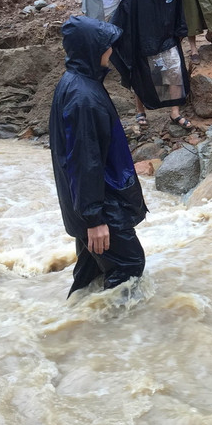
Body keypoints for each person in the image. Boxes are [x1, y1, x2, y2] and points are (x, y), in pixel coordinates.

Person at [49, 15, 147, 298]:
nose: (111, 51)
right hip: (103, 206)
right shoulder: (83, 97)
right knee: (129, 266)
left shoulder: (76, 82)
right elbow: (85, 160)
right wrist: (94, 220)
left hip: (87, 202)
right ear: (91, 49)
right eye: (106, 45)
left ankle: (79, 332)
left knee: (90, 274)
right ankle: (119, 336)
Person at [110, 0, 194, 132]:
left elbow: (180, 13)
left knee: (174, 73)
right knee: (141, 77)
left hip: (167, 40)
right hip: (144, 43)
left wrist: (180, 32)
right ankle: (140, 111)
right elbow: (122, 17)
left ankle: (175, 112)